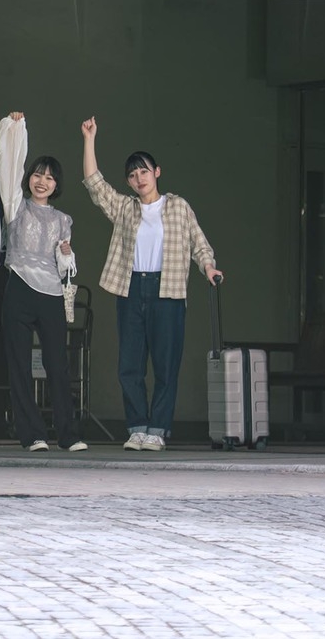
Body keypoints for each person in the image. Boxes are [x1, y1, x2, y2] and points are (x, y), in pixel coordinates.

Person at [80, 118, 224, 452]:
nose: (138, 179)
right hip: (131, 290)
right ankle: (137, 428)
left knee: (165, 364)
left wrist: (208, 267)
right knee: (129, 365)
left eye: (143, 171)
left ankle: (157, 430)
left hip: (168, 291)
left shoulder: (178, 206)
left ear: (157, 172)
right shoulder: (125, 209)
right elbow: (93, 183)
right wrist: (90, 139)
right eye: (132, 175)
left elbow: (198, 242)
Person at [0, 112, 86, 452]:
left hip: (50, 293)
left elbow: (66, 266)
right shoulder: (15, 206)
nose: (41, 181)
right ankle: (33, 434)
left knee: (57, 366)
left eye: (49, 178)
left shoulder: (63, 219)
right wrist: (15, 129)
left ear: (56, 184)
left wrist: (66, 252)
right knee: (19, 365)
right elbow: (9, 167)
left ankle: (69, 434)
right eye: (37, 174)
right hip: (18, 286)